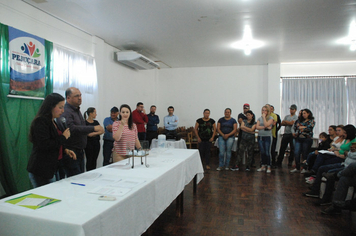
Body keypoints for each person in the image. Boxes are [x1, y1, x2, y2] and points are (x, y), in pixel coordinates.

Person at [27, 93, 76, 188]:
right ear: (51, 107)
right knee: (45, 199)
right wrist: (64, 137)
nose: (63, 110)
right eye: (60, 107)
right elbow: (45, 145)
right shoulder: (41, 122)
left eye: (63, 107)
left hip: (53, 167)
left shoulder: (53, 121)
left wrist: (65, 150)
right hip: (41, 168)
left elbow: (54, 140)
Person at [58, 87, 104, 177]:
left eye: (80, 95)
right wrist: (93, 128)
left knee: (81, 178)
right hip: (71, 152)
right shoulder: (66, 111)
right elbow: (72, 129)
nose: (79, 98)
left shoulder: (76, 110)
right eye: (76, 96)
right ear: (68, 98)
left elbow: (81, 128)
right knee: (75, 181)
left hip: (79, 151)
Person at [290, 108, 315, 173]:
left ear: (308, 114)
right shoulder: (299, 120)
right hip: (298, 138)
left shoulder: (311, 121)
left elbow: (309, 128)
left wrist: (302, 127)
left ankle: (304, 167)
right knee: (296, 152)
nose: (303, 115)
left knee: (305, 153)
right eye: (302, 113)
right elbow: (296, 127)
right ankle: (297, 167)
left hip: (307, 139)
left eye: (304, 113)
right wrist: (303, 127)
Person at [256, 105, 274, 173]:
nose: (263, 111)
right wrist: (265, 127)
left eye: (265, 110)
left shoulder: (270, 118)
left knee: (267, 152)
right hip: (260, 136)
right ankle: (263, 165)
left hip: (267, 137)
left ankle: (269, 166)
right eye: (262, 110)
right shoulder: (259, 118)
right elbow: (257, 127)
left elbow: (267, 124)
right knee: (262, 152)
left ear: (268, 111)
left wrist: (264, 118)